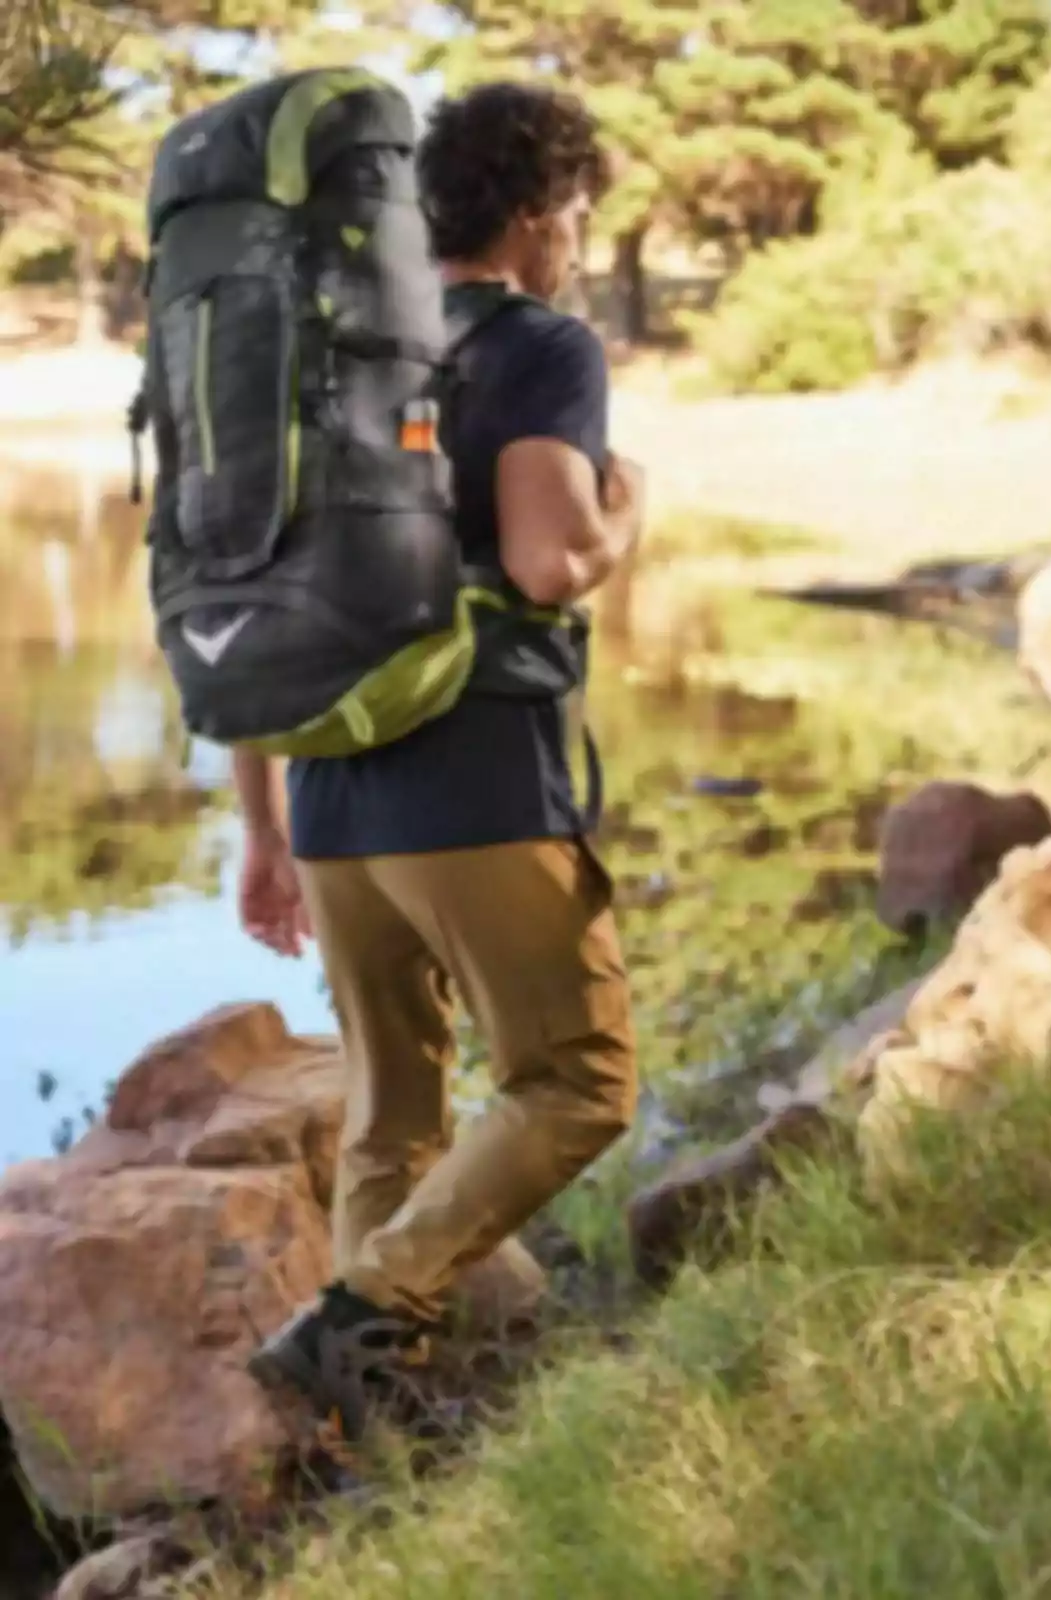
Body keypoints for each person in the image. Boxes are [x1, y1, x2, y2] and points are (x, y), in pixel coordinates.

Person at [232, 81, 644, 1435]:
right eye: (577, 211)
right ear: (531, 214)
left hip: (334, 797)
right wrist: (625, 517)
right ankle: (365, 1312)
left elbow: (246, 603)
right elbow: (546, 556)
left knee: (391, 1115)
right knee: (579, 1082)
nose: (580, 237)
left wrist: (265, 829)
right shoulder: (540, 345)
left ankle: (363, 1428)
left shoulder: (335, 351)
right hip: (473, 783)